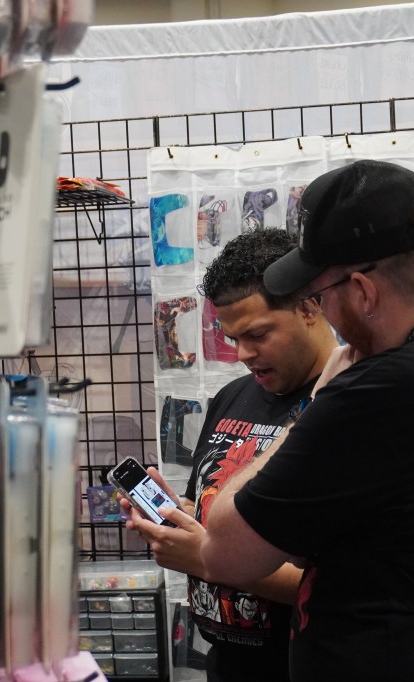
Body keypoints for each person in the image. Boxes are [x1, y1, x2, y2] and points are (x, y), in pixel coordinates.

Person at [197, 160, 414, 680]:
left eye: (321, 296)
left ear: (363, 290)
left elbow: (225, 552)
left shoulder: (385, 390)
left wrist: (322, 399)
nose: (324, 311)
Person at [122, 229, 339, 682]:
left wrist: (206, 557)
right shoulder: (232, 396)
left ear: (310, 307)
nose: (242, 354)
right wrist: (175, 518)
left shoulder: (343, 406)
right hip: (227, 663)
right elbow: (208, 508)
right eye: (232, 337)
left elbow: (338, 581)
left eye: (258, 334)